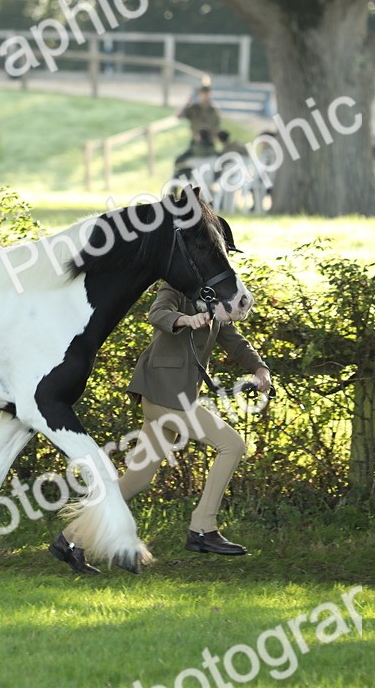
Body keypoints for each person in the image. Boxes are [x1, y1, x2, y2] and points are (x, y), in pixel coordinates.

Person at [50, 232, 271, 575]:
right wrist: (185, 320)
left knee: (135, 481)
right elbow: (157, 313)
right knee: (232, 445)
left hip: (175, 396)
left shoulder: (218, 296)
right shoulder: (178, 285)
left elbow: (232, 338)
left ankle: (69, 539)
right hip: (164, 394)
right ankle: (203, 528)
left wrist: (258, 368)